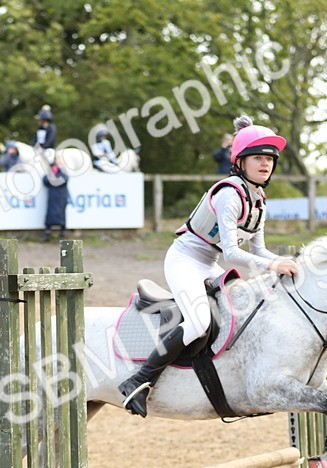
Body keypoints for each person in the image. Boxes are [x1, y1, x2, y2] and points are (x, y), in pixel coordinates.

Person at [117, 115, 297, 418]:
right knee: (199, 323)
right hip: (185, 260)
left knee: (242, 309)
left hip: (209, 263)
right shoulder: (229, 194)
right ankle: (139, 380)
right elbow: (232, 253)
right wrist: (273, 264)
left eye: (269, 159)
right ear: (240, 162)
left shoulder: (259, 201)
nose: (265, 164)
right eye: (257, 158)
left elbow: (258, 250)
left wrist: (283, 262)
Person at [41, 150, 69, 242]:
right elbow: (45, 180)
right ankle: (48, 231)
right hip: (52, 196)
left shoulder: (62, 171)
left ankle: (62, 231)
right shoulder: (50, 172)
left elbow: (64, 179)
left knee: (61, 214)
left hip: (61, 196)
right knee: (50, 214)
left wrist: (53, 180)